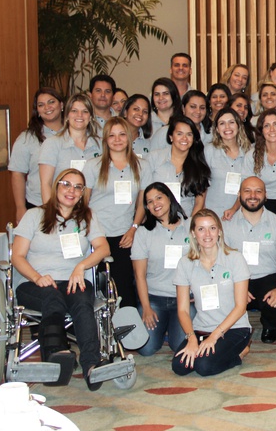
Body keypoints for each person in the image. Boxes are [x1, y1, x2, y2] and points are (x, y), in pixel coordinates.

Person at [11, 168, 111, 389]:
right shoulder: (34, 215)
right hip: (34, 284)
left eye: (77, 187)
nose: (71, 191)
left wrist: (81, 266)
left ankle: (91, 366)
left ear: (82, 193)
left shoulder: (87, 217)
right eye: (66, 184)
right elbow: (17, 256)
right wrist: (37, 277)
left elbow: (103, 248)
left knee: (83, 302)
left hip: (73, 281)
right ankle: (57, 356)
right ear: (56, 186)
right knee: (52, 297)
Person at [172, 209, 251, 376]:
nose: (207, 234)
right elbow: (183, 310)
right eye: (201, 229)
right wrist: (191, 338)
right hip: (202, 328)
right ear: (193, 234)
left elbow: (241, 307)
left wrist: (214, 337)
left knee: (204, 366)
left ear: (219, 231)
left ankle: (240, 353)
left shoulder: (235, 258)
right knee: (180, 366)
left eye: (212, 228)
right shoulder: (185, 263)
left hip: (234, 328)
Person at [82, 117, 150, 308]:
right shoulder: (93, 165)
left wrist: (133, 228)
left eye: (122, 135)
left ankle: (126, 326)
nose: (117, 139)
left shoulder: (142, 166)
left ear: (129, 137)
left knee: (124, 287)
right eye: (112, 135)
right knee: (96, 288)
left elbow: (142, 203)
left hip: (124, 235)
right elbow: (83, 202)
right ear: (105, 139)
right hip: (96, 235)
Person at [223, 176, 276, 344]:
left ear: (265, 196)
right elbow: (222, 261)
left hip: (268, 277)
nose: (253, 195)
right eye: (247, 191)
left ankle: (270, 325)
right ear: (239, 195)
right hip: (237, 278)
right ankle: (235, 326)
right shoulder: (226, 225)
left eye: (258, 191)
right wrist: (233, 287)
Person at [131, 183, 191, 356]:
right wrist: (146, 307)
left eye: (159, 198)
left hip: (185, 298)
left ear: (169, 198)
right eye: (149, 202)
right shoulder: (143, 233)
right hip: (154, 298)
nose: (155, 204)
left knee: (180, 346)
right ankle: (164, 326)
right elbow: (139, 275)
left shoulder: (191, 227)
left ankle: (171, 329)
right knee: (146, 349)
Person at [10, 87, 64, 223]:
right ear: (37, 111)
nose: (47, 107)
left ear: (61, 105)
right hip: (37, 204)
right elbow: (17, 174)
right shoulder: (27, 138)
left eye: (51, 102)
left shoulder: (75, 134)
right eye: (41, 105)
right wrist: (20, 207)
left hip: (73, 204)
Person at [38, 94, 102, 203]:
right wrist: (51, 212)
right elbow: (46, 184)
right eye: (74, 111)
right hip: (62, 208)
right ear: (67, 115)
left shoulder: (100, 145)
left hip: (93, 208)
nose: (79, 115)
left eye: (85, 111)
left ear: (91, 116)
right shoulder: (52, 144)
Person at [147, 115, 210, 216]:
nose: (184, 138)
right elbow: (143, 192)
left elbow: (199, 202)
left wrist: (190, 223)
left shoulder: (199, 163)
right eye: (179, 134)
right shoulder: (154, 158)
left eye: (189, 134)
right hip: (156, 220)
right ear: (171, 137)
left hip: (186, 220)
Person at [242, 109, 276, 219]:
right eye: (266, 126)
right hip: (258, 206)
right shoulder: (251, 156)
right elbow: (247, 188)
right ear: (261, 131)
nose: (272, 129)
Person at [204, 108, 251, 219]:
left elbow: (248, 187)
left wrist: (234, 209)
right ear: (216, 129)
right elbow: (202, 185)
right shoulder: (209, 150)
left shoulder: (249, 152)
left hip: (240, 215)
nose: (227, 127)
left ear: (238, 125)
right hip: (212, 214)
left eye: (231, 122)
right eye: (222, 123)